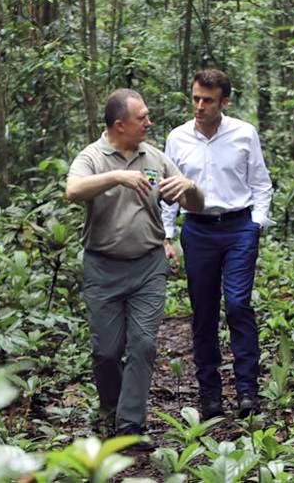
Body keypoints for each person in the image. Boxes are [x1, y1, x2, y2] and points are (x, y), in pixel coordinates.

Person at [66, 88, 204, 450]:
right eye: (142, 117)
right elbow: (73, 190)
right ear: (119, 124)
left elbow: (196, 204)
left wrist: (190, 188)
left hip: (148, 267)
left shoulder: (154, 158)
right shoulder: (93, 156)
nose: (149, 122)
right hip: (103, 269)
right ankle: (111, 409)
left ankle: (130, 426)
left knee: (142, 345)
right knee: (107, 353)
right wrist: (117, 177)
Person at [162, 69, 273, 420]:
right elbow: (168, 191)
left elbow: (261, 183)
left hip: (239, 227)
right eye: (195, 98)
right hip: (197, 230)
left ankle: (247, 393)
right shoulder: (177, 138)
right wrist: (166, 236)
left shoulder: (243, 133)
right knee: (204, 313)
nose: (199, 106)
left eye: (207, 100)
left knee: (239, 305)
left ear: (224, 101)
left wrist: (256, 223)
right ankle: (210, 395)